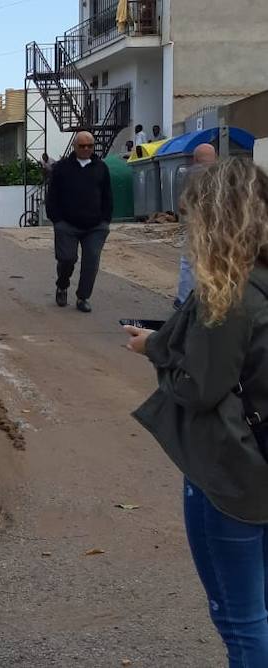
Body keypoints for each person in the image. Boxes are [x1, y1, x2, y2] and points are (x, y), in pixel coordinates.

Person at [124, 158, 268, 667]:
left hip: (230, 475)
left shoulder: (227, 294)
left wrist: (157, 357)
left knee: (241, 619)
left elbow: (198, 389)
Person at [46, 130, 113, 313]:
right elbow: (52, 195)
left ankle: (83, 297)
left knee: (91, 262)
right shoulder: (62, 168)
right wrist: (56, 219)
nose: (86, 149)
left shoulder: (101, 168)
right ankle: (62, 285)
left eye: (89, 146)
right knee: (67, 259)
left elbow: (107, 195)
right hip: (67, 224)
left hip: (95, 226)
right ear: (75, 146)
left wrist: (106, 220)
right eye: (82, 146)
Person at [176, 143, 219, 310]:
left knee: (189, 263)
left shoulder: (191, 174)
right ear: (215, 157)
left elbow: (183, 204)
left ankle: (183, 300)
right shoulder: (224, 173)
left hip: (198, 224)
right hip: (222, 226)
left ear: (194, 159)